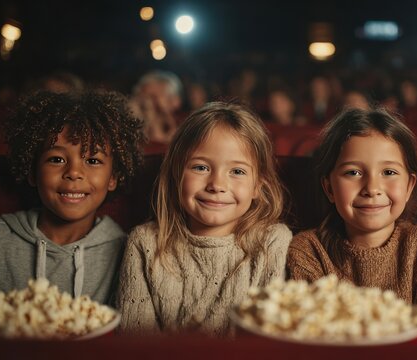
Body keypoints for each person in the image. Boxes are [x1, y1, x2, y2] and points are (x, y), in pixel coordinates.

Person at [286, 108, 417, 341]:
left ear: (409, 186)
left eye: (388, 172)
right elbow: (311, 342)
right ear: (329, 188)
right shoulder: (307, 251)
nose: (372, 188)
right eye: (353, 172)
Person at [117, 101, 292, 336]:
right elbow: (136, 343)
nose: (217, 185)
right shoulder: (144, 242)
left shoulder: (273, 243)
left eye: (237, 171)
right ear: (176, 175)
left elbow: (267, 340)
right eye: (200, 167)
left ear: (257, 187)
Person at [0, 90, 145, 305]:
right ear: (32, 172)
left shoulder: (128, 252)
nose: (74, 172)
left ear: (113, 178)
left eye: (93, 161)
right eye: (57, 159)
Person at [130, 70, 184, 145]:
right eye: (143, 96)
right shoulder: (131, 126)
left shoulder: (185, 125)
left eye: (153, 97)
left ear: (174, 100)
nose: (147, 102)